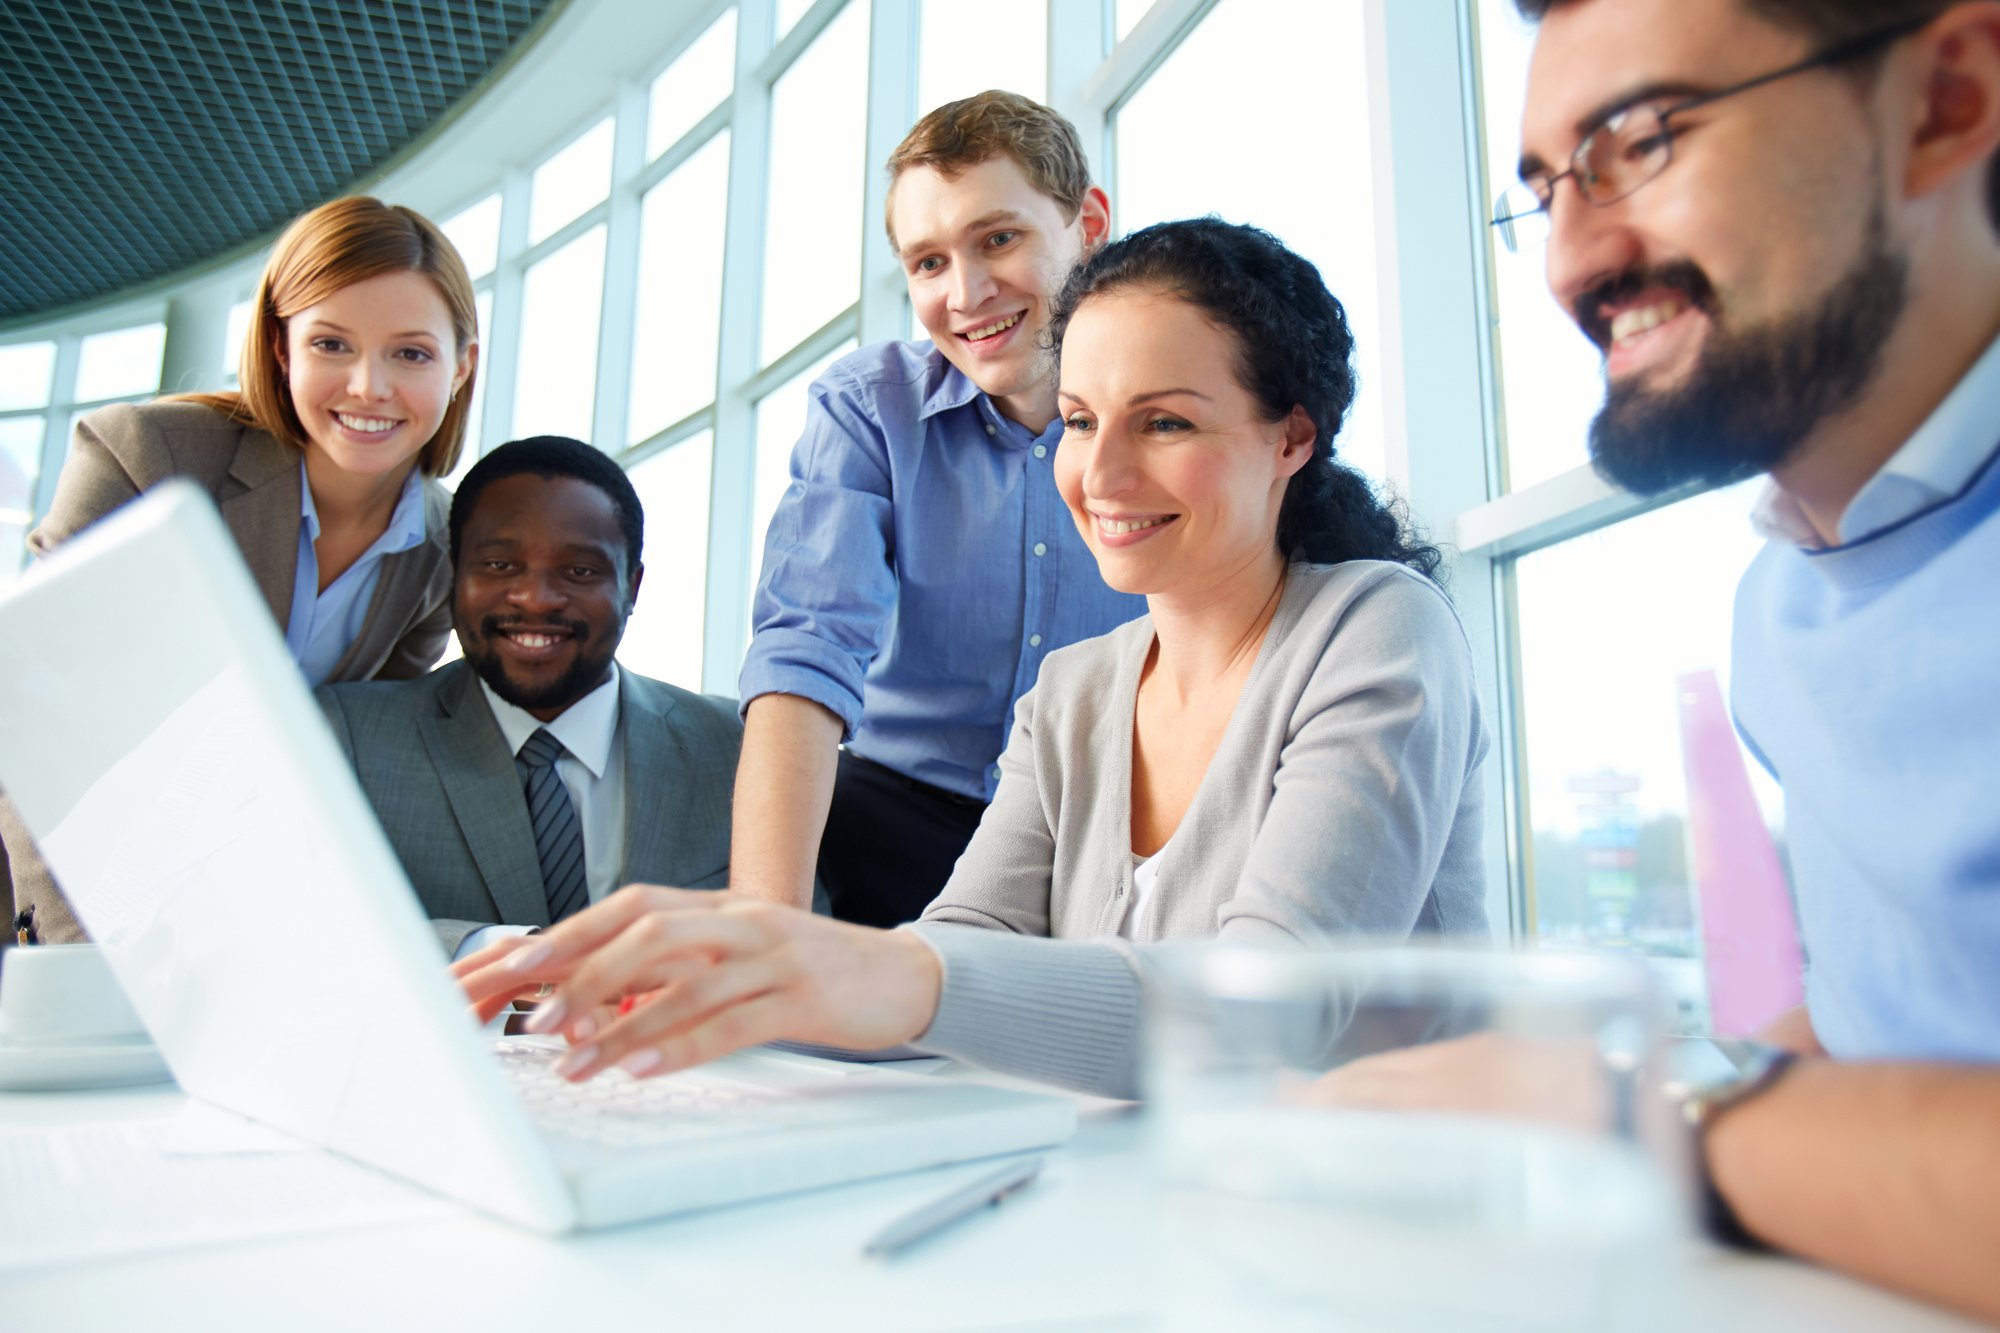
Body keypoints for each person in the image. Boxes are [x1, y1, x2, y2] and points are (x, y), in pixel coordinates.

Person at [457, 218, 1491, 1100]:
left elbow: (1266, 1019)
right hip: (1150, 1216)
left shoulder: (1377, 627)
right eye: (1081, 421)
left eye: (1165, 421)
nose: (1104, 473)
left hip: (1379, 1236)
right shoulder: (1075, 692)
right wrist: (716, 979)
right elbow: (958, 966)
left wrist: (883, 969)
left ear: (1291, 439)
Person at [1338, 0, 2000, 1320]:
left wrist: (1640, 1117)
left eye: (1640, 141)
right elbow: (1861, 1047)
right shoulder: (1782, 604)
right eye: (1542, 188)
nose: (1571, 258)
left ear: (1945, 104)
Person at [1, 194, 479, 943]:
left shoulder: (445, 553)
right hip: (41, 899)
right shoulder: (148, 457)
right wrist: (73, 950)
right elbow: (28, 708)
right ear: (282, 347)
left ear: (460, 368)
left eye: (410, 352)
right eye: (331, 345)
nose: (368, 386)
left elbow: (353, 759)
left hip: (220, 928)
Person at [732, 90, 1147, 929]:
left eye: (999, 239)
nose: (967, 292)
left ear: (1089, 224)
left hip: (1104, 827)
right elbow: (806, 650)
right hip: (897, 813)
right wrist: (766, 933)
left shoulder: (1175, 409)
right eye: (928, 262)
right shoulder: (867, 408)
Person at [317, 437, 742, 957]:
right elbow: (301, 925)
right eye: (499, 566)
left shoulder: (734, 747)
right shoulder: (349, 738)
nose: (536, 598)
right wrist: (512, 956)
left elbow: (799, 940)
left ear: (632, 588)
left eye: (580, 571)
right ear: (454, 574)